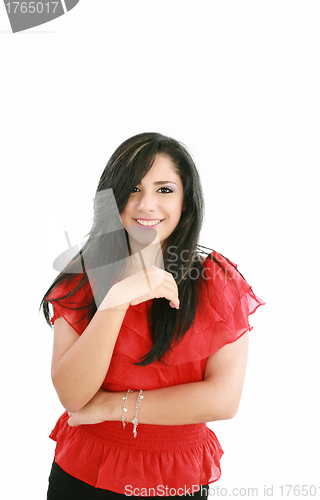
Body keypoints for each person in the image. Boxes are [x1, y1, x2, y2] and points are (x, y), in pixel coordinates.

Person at [41, 132, 265, 499]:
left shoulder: (216, 280)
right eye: (133, 188)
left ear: (186, 200)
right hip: (84, 473)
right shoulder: (82, 277)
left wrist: (111, 407)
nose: (147, 204)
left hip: (177, 476)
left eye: (164, 190)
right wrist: (116, 300)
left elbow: (222, 400)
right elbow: (73, 396)